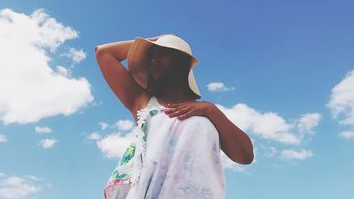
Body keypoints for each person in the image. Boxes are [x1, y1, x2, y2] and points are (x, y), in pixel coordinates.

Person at [95, 34, 254, 199]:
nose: (154, 60)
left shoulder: (207, 112)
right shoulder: (145, 103)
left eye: (163, 53)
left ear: (181, 63)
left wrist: (210, 110)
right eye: (151, 56)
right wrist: (155, 41)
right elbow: (103, 53)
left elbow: (245, 156)